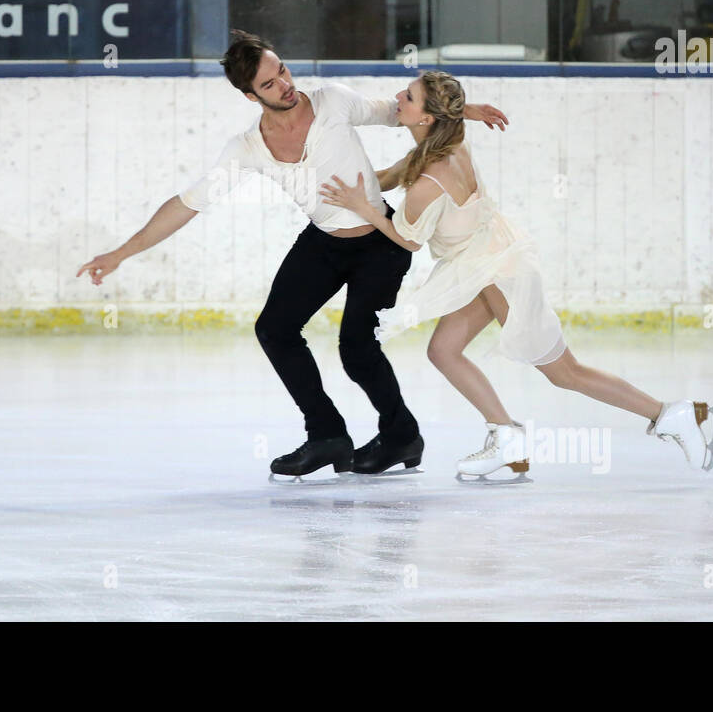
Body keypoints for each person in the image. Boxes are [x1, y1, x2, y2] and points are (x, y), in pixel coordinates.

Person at [77, 33, 510, 479]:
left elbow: (399, 112)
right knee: (274, 329)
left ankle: (402, 435)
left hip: (381, 242)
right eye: (269, 83)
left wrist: (465, 110)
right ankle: (326, 435)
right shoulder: (247, 148)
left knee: (356, 349)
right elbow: (186, 204)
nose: (284, 84)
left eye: (281, 69)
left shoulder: (334, 102)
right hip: (323, 242)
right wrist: (120, 254)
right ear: (250, 95)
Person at [318, 70, 713, 480]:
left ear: (426, 118)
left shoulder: (428, 182)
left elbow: (408, 241)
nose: (398, 98)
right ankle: (507, 439)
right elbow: (392, 173)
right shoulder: (449, 142)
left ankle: (673, 415)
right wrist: (464, 113)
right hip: (483, 263)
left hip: (502, 273)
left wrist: (365, 209)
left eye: (409, 97)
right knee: (443, 350)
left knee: (564, 372)